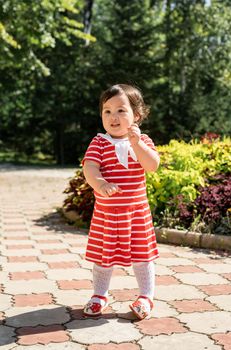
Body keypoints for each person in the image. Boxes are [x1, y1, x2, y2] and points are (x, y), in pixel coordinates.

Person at [82, 83, 160, 319]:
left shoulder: (142, 140)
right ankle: (99, 294)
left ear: (136, 116)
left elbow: (152, 165)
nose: (113, 117)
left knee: (142, 256)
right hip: (108, 214)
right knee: (103, 257)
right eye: (107, 111)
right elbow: (90, 168)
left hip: (136, 213)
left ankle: (146, 296)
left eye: (120, 110)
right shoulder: (99, 142)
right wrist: (101, 184)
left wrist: (136, 143)